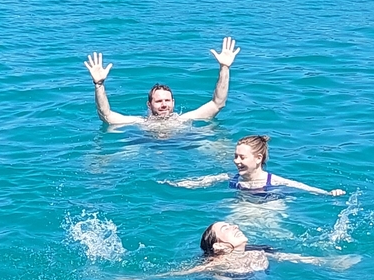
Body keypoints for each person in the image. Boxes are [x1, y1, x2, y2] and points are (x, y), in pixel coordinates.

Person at [105, 221, 357, 280]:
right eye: (226, 229)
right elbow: (178, 273)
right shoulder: (217, 263)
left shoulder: (259, 251)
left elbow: (295, 258)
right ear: (219, 247)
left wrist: (331, 263)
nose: (234, 226)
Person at [84, 36, 239, 127]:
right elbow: (106, 116)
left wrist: (224, 67)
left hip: (184, 146)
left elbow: (218, 103)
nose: (164, 104)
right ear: (149, 105)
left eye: (167, 100)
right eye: (158, 101)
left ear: (173, 102)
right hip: (145, 147)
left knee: (213, 146)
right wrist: (99, 85)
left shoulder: (184, 120)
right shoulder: (140, 123)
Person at [162, 135, 345, 196]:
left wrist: (328, 193)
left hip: (269, 206)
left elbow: (302, 187)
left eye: (242, 157)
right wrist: (172, 185)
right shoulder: (230, 178)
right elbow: (201, 182)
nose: (236, 161)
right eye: (235, 156)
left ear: (258, 158)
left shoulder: (275, 181)